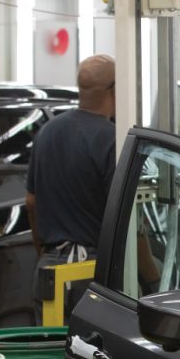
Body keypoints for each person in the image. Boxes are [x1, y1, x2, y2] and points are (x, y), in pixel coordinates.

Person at [26, 53, 117, 323]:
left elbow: (31, 202)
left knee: (50, 354)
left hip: (49, 269)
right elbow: (122, 213)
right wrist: (151, 277)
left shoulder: (47, 132)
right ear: (114, 89)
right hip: (89, 273)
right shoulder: (110, 138)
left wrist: (44, 252)